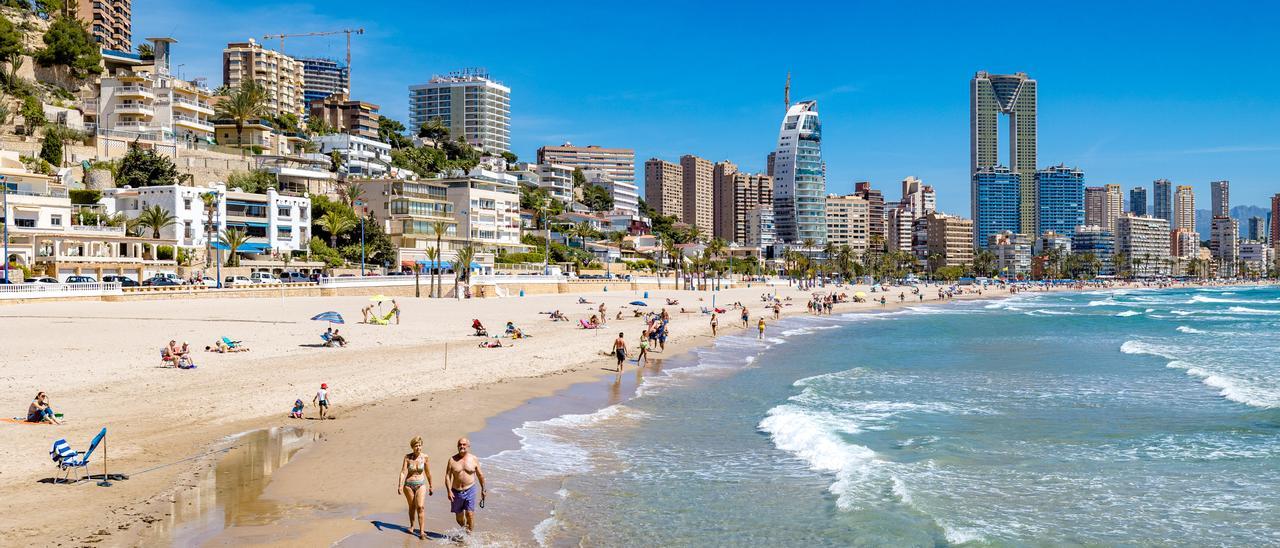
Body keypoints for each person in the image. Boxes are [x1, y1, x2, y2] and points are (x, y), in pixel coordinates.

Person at [446, 438, 486, 533]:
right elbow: (447, 476)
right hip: (456, 492)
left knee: (470, 514)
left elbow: (480, 475)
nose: (462, 446)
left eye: (464, 444)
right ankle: (464, 529)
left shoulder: (473, 459)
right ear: (457, 446)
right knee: (459, 517)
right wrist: (449, 491)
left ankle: (469, 535)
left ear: (468, 446)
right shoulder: (452, 460)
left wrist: (483, 489)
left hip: (470, 489)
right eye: (460, 444)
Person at [398, 436, 434, 540]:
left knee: (420, 507)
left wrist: (431, 485)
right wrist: (400, 485)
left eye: (419, 445)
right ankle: (412, 526)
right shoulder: (407, 457)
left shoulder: (425, 457)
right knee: (412, 506)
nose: (418, 447)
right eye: (416, 446)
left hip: (421, 484)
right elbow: (403, 472)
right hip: (408, 485)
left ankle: (422, 531)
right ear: (412, 447)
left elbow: (428, 472)